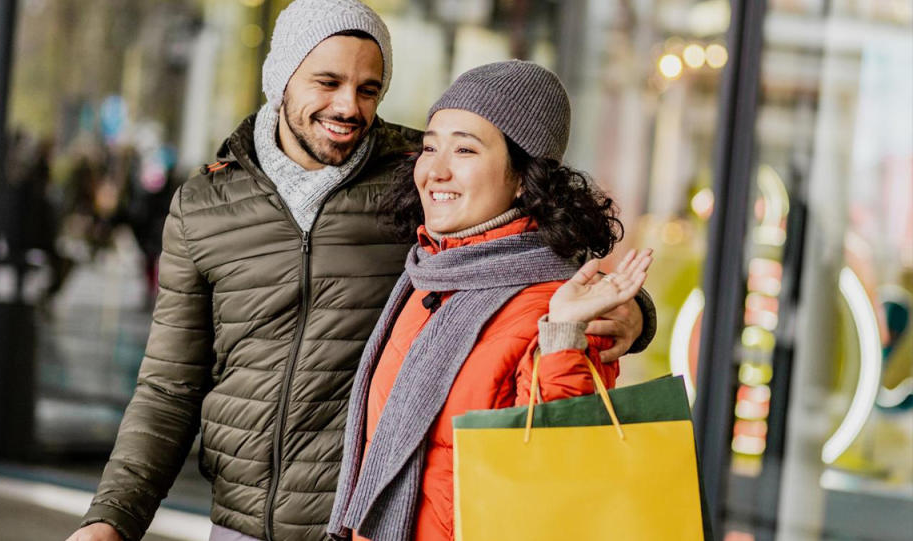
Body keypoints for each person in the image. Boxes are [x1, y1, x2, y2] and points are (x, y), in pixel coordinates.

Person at [66, 2, 656, 540]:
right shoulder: (209, 204)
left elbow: (539, 260)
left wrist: (629, 314)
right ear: (281, 79)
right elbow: (169, 385)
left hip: (353, 516)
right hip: (241, 520)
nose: (349, 105)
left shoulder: (410, 180)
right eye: (327, 81)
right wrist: (112, 519)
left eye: (369, 88)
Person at [327, 60, 651, 541]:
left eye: (464, 149)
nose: (435, 169)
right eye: (430, 146)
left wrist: (564, 335)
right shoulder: (428, 274)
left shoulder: (562, 304)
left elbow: (556, 472)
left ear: (524, 178)